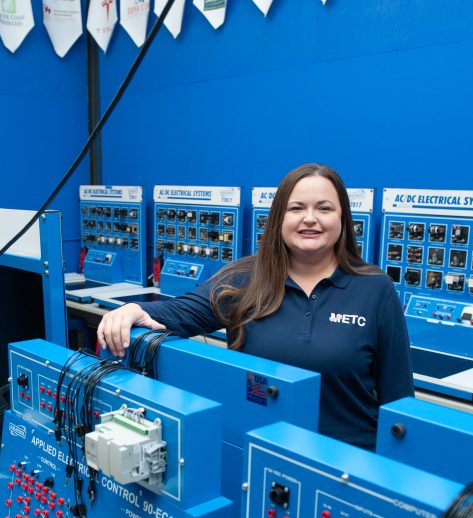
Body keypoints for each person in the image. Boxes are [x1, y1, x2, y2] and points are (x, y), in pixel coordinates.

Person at [97, 163, 414, 450]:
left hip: (350, 466)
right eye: (296, 208)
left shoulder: (375, 289)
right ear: (278, 220)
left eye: (325, 208)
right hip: (260, 457)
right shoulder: (244, 280)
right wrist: (134, 311)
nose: (310, 218)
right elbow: (181, 313)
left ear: (343, 219)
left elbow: (399, 400)